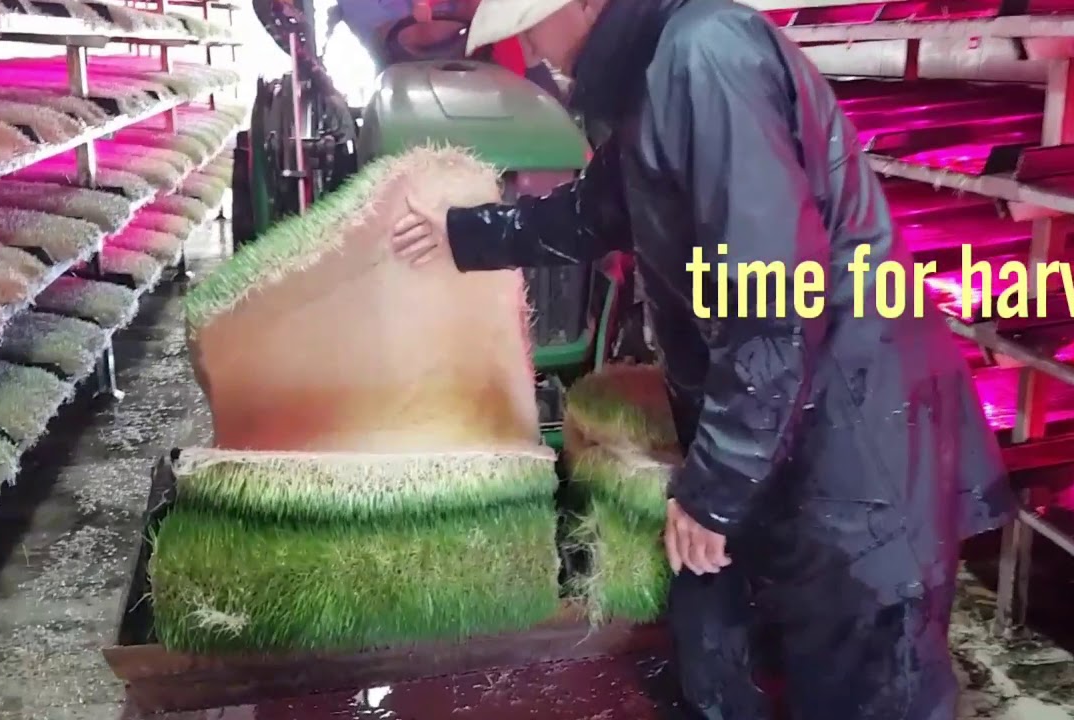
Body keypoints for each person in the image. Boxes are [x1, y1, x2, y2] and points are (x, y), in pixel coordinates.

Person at [389, 0, 1018, 717]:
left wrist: (716, 490)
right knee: (722, 650)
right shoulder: (652, 73)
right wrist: (465, 234)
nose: (531, 48)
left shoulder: (704, 55)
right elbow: (596, 211)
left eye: (532, 24)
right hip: (785, 424)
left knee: (863, 684)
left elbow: (774, 294)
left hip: (852, 444)